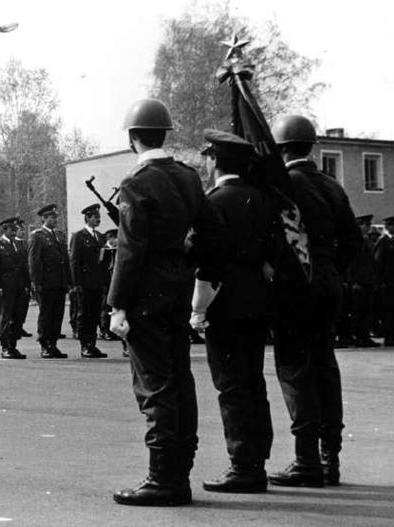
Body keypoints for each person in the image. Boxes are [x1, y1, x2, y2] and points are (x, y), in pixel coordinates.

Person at [108, 99, 222, 506]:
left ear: (132, 137)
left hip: (146, 296)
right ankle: (179, 474)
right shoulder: (189, 178)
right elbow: (209, 234)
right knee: (180, 381)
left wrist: (117, 304)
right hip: (178, 290)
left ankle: (162, 479)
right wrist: (185, 266)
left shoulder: (136, 183)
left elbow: (130, 249)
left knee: (155, 387)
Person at [268, 115, 360, 488]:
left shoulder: (281, 185)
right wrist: (329, 269)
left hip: (294, 285)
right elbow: (352, 241)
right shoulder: (332, 185)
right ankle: (329, 458)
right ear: (311, 145)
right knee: (325, 366)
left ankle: (306, 459)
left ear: (279, 147)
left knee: (294, 369)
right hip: (327, 282)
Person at [191, 129, 277, 493]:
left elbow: (204, 258)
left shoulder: (214, 202)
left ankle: (244, 466)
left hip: (224, 303)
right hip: (258, 300)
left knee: (231, 386)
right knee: (253, 381)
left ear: (213, 160)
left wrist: (198, 308)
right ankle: (257, 457)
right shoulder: (261, 198)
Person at [28, 204, 71, 359]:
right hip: (46, 282)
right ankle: (45, 344)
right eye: (51, 217)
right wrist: (36, 282)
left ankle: (53, 344)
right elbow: (34, 261)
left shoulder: (59, 235)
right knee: (46, 314)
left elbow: (64, 259)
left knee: (57, 314)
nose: (55, 219)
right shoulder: (37, 236)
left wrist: (68, 280)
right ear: (43, 218)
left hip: (59, 281)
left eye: (55, 217)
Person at [0, 217, 30, 359]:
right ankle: (5, 346)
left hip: (19, 285)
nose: (14, 233)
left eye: (15, 230)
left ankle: (13, 345)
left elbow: (24, 267)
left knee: (18, 317)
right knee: (7, 317)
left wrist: (26, 285)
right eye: (12, 230)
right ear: (4, 230)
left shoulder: (19, 245)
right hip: (6, 287)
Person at [70, 204, 108, 358]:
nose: (98, 220)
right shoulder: (79, 236)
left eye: (98, 217)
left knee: (94, 314)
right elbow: (74, 261)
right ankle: (84, 345)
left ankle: (92, 344)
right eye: (95, 217)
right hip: (84, 282)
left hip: (96, 281)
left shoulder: (99, 236)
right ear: (87, 218)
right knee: (84, 314)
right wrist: (76, 282)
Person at [336, 215, 378, 348]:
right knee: (357, 311)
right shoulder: (355, 242)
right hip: (358, 281)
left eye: (369, 225)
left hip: (367, 280)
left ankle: (363, 336)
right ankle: (357, 336)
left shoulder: (366, 241)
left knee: (365, 310)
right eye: (366, 225)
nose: (368, 228)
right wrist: (352, 281)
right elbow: (353, 263)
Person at [375, 216, 394, 346]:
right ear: (387, 226)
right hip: (388, 282)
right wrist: (380, 280)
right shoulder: (384, 241)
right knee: (388, 310)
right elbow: (378, 262)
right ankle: (389, 336)